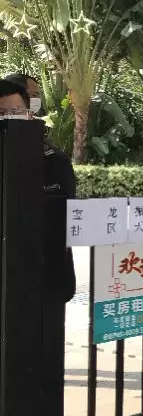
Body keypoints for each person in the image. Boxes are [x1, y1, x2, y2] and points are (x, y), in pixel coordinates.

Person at [0, 79, 76, 303]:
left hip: (43, 287)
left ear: (29, 115)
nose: (7, 119)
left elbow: (66, 222)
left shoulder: (54, 162)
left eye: (14, 112)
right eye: (1, 113)